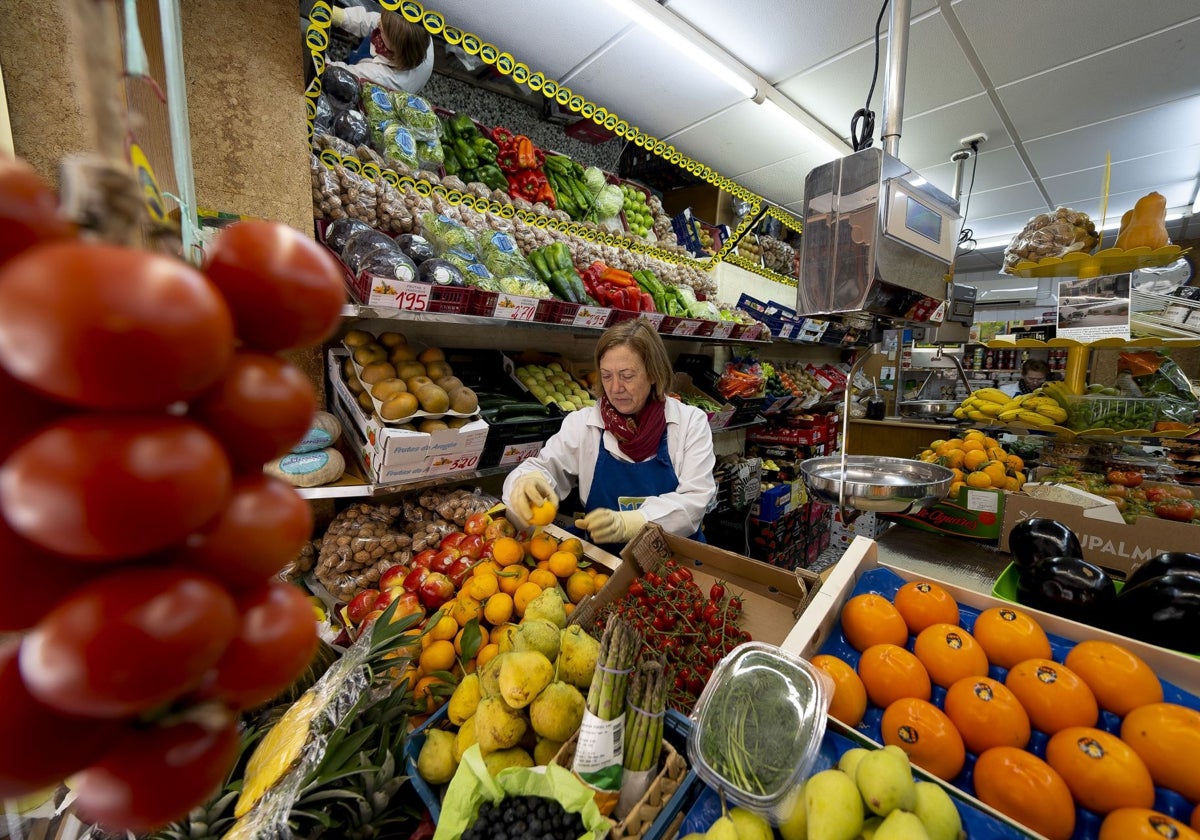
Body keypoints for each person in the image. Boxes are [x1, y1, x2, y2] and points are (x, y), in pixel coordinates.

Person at [502, 318, 717, 550]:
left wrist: (633, 522)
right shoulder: (583, 424)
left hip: (674, 563)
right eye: (606, 376)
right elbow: (544, 468)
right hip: (605, 562)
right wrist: (525, 483)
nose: (615, 388)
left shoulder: (689, 423)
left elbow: (695, 500)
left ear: (654, 374)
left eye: (627, 375)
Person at [328, 6, 434, 93]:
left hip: (373, 77)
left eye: (383, 31)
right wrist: (339, 15)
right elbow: (374, 22)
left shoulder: (382, 78)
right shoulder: (421, 34)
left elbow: (336, 73)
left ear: (395, 45)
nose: (378, 24)